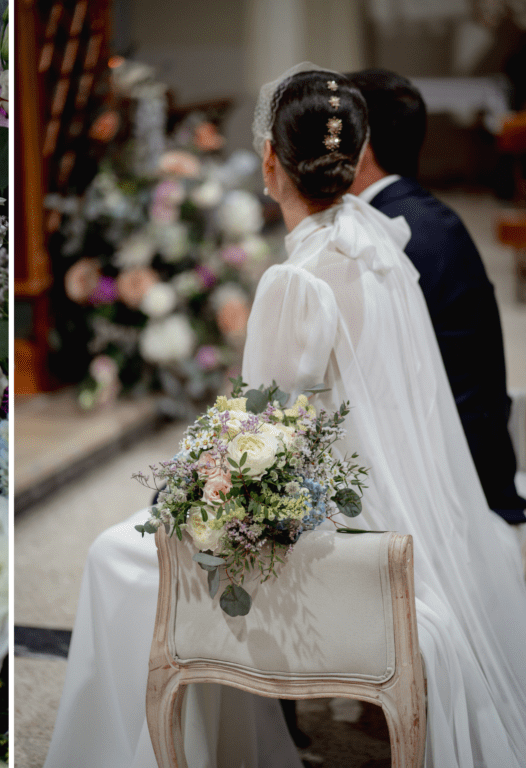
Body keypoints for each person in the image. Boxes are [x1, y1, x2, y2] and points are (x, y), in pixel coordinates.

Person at [43, 63, 526, 768]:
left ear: (270, 160)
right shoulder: (380, 243)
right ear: (356, 158)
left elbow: (260, 437)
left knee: (112, 556)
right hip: (401, 520)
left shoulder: (296, 282)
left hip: (338, 538)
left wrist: (200, 487)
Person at [346, 67, 526, 525]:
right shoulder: (426, 216)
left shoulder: (388, 237)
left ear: (361, 145)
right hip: (471, 456)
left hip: (453, 492)